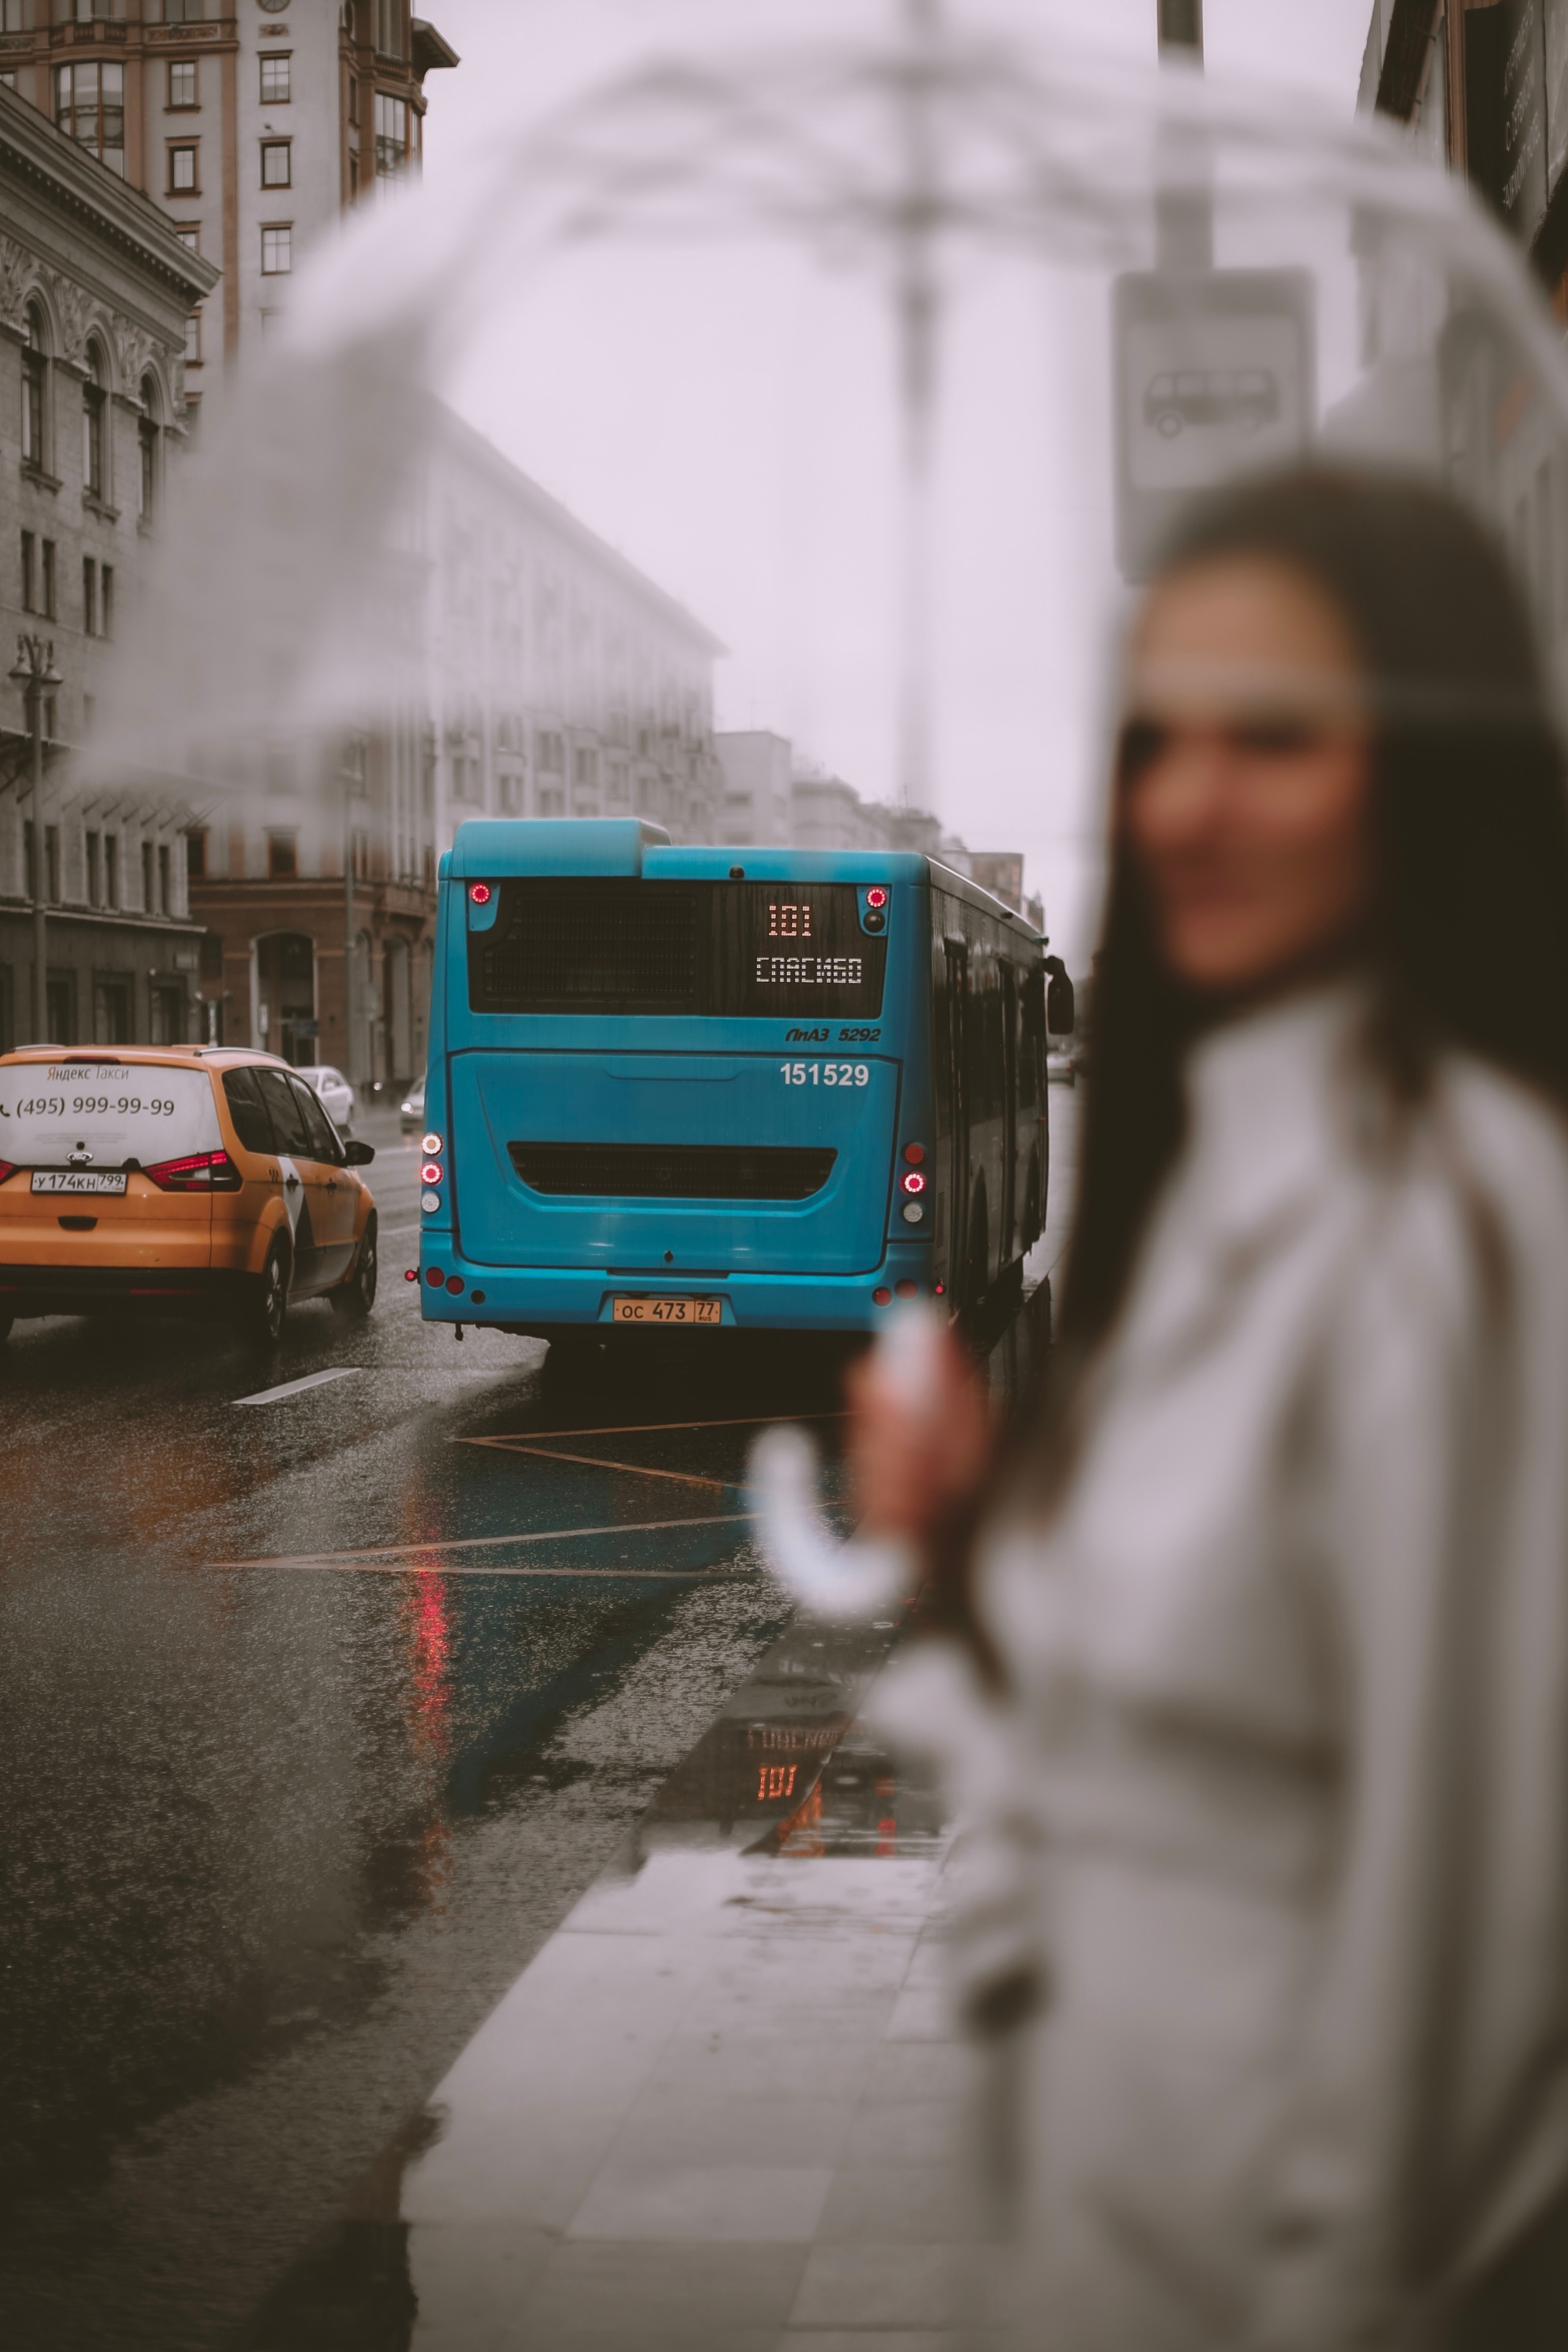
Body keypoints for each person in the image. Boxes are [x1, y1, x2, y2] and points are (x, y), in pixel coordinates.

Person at [851, 468, 1568, 2350]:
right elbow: (1156, 1727)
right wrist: (968, 1539)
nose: (1190, 800)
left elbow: (1470, 1967)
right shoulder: (1213, 1193)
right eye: (1158, 738)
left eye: (1277, 736)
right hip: (1107, 2247)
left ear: (1428, 770)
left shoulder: (1465, 1237)